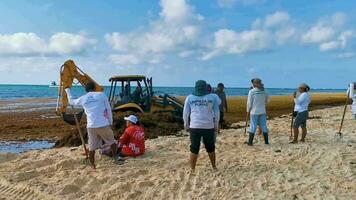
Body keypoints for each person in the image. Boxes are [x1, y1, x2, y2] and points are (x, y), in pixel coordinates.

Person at [65, 82, 117, 169]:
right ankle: (115, 157)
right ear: (95, 88)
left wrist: (67, 90)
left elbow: (71, 101)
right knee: (112, 142)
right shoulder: (101, 95)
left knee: (92, 147)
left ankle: (92, 165)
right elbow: (108, 109)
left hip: (91, 126)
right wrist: (110, 122)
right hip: (103, 124)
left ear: (85, 90)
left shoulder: (83, 98)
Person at [183, 80, 220, 172]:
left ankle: (192, 169)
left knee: (194, 147)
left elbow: (185, 113)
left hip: (194, 126)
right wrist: (216, 125)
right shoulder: (213, 97)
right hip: (208, 126)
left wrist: (186, 124)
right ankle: (214, 167)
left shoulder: (189, 97)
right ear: (206, 87)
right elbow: (217, 112)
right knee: (210, 147)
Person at [246, 78, 269, 146]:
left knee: (253, 126)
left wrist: (248, 110)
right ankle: (266, 142)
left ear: (254, 84)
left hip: (254, 111)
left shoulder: (252, 91)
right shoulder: (264, 91)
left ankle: (250, 142)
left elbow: (249, 103)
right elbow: (267, 101)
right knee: (264, 126)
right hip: (262, 111)